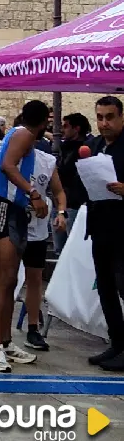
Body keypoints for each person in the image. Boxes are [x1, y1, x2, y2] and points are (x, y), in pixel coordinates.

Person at [0, 99, 51, 372]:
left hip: (14, 210)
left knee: (10, 280)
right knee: (5, 278)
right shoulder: (24, 134)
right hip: (2, 208)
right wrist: (34, 193)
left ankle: (5, 341)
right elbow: (8, 166)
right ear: (43, 122)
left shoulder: (18, 134)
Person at [0, 155, 66, 353]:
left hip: (36, 229)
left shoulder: (46, 161)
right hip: (11, 226)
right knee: (7, 278)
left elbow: (59, 192)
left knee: (34, 277)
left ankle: (31, 328)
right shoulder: (3, 160)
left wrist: (61, 212)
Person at [84, 96, 124, 371]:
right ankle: (117, 342)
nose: (104, 123)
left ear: (121, 117)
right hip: (101, 226)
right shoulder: (95, 145)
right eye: (99, 117)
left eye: (109, 117)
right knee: (106, 289)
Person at [53, 112, 90, 254]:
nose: (62, 129)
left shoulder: (84, 149)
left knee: (73, 249)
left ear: (77, 128)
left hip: (74, 204)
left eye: (66, 126)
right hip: (60, 203)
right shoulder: (65, 147)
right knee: (59, 250)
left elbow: (68, 173)